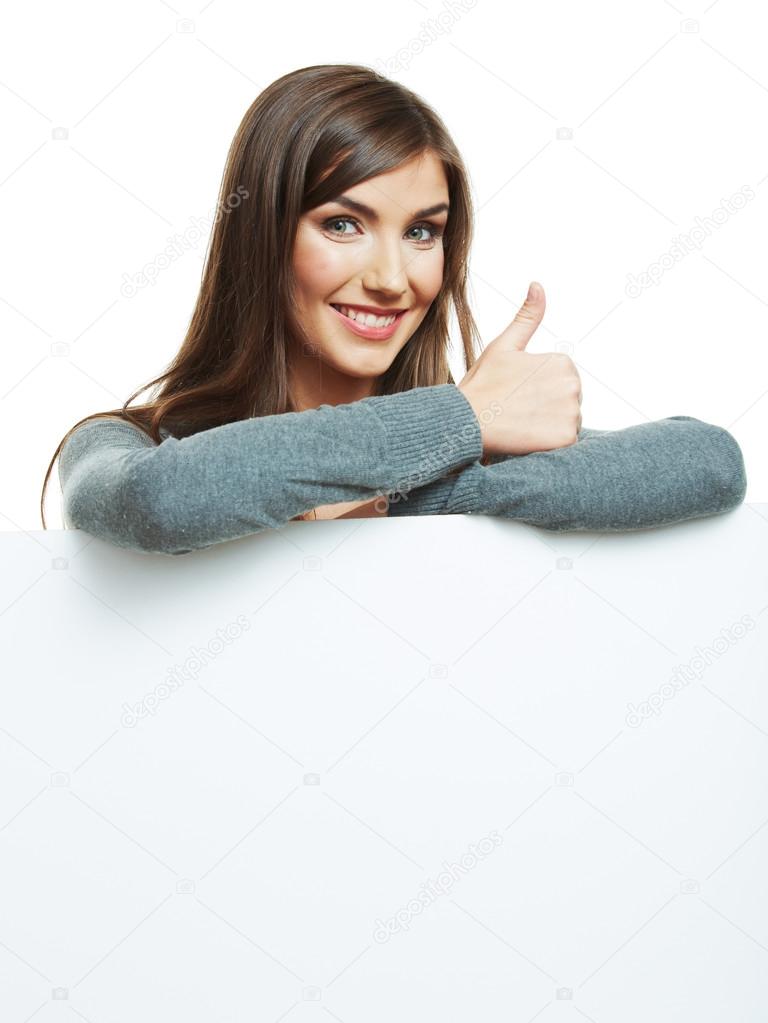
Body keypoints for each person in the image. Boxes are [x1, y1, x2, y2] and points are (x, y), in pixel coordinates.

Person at [40, 64, 747, 556]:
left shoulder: (467, 442)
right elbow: (163, 503)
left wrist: (418, 485)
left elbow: (708, 462)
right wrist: (462, 418)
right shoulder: (125, 441)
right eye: (343, 224)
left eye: (422, 232)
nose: (390, 278)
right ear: (263, 236)